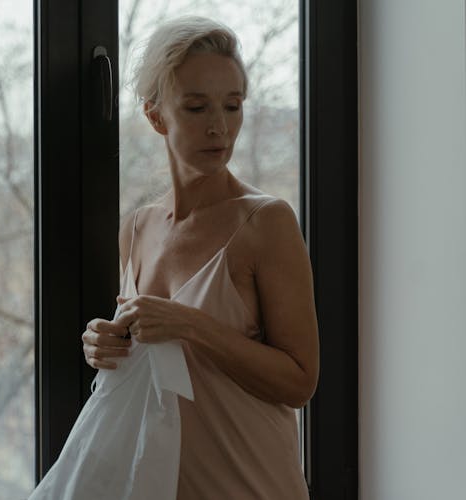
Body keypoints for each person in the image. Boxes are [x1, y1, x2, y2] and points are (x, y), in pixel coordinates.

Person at [81, 16, 319, 499]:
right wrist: (101, 345)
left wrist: (189, 325)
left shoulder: (266, 222)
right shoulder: (136, 229)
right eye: (196, 107)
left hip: (254, 486)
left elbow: (300, 382)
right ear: (155, 116)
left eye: (233, 106)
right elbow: (150, 357)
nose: (219, 127)